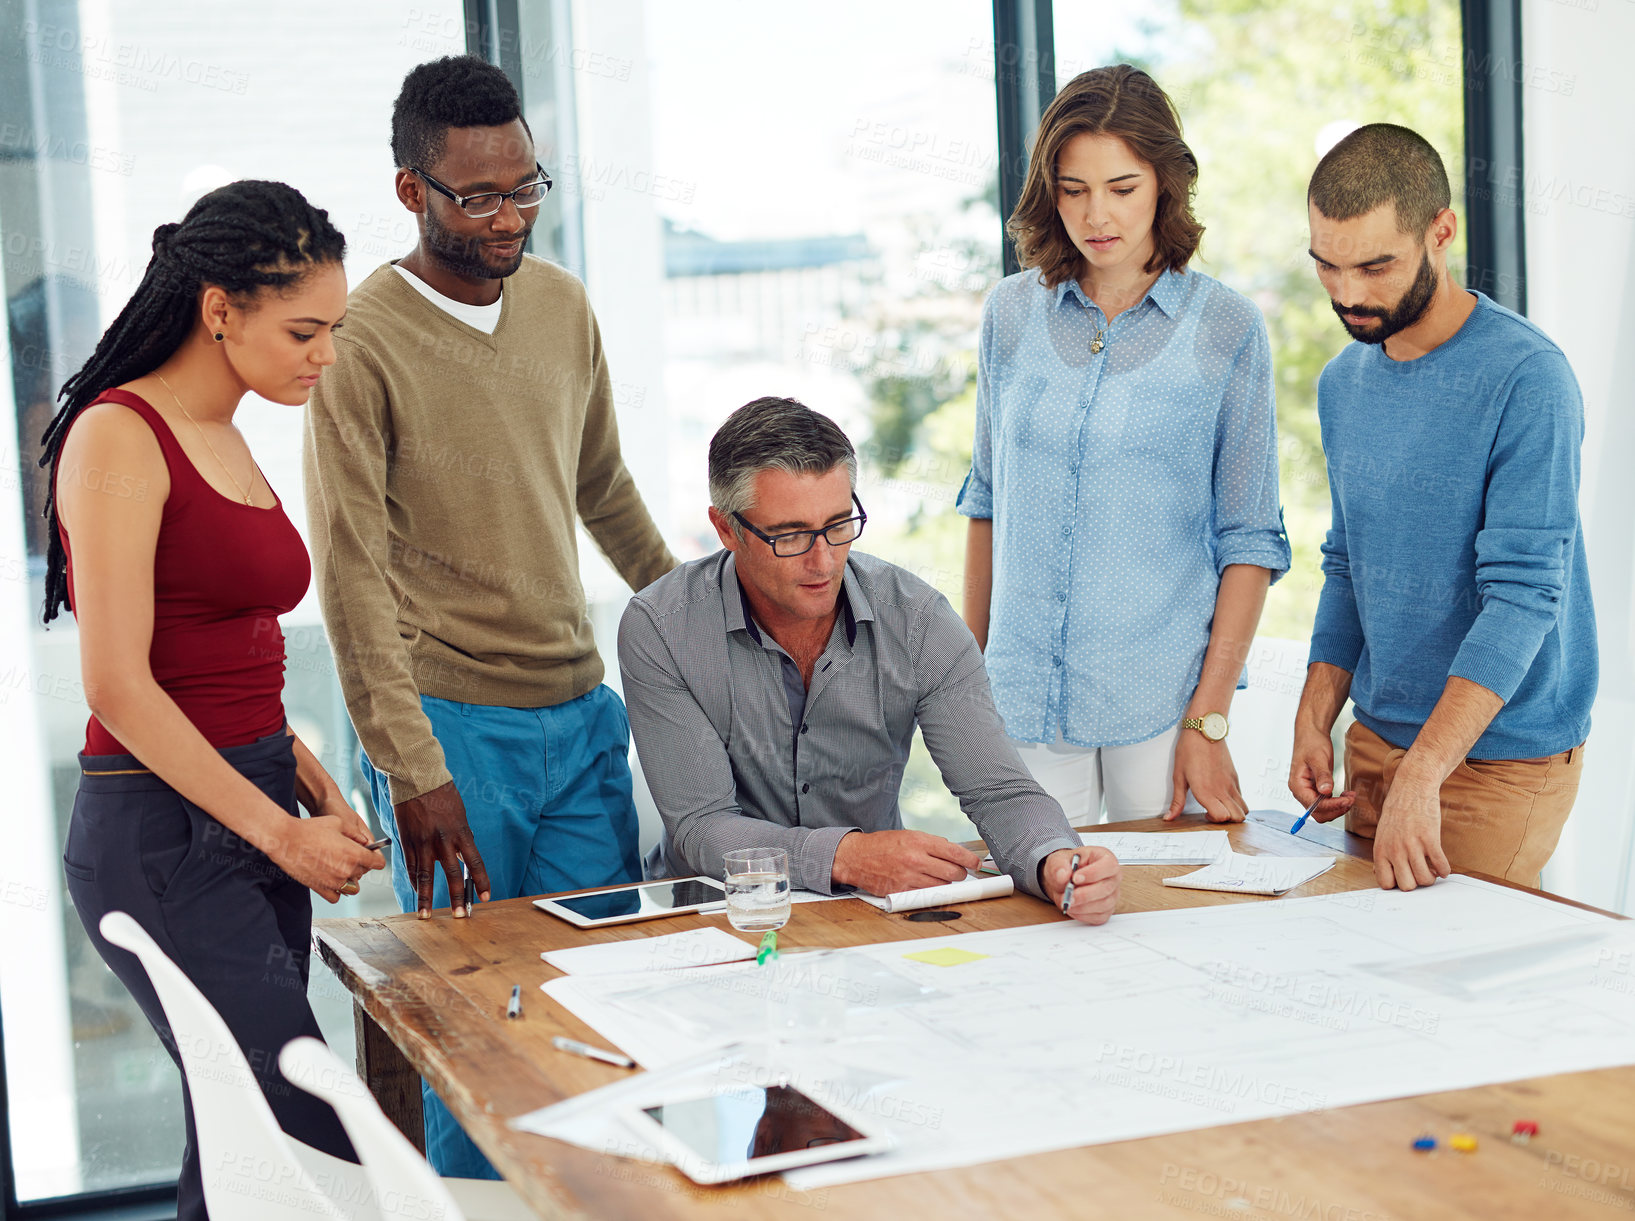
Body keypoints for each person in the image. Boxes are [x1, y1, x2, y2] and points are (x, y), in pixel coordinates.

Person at [302, 55, 675, 1176]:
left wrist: (703, 626)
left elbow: (603, 487)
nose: (510, 215)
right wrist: (410, 770)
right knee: (469, 1029)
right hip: (450, 732)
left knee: (595, 1012)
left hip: (577, 716)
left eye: (526, 187)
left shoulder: (560, 305)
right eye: (479, 195)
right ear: (412, 190)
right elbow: (352, 573)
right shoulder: (359, 342)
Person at [41, 180, 384, 1221]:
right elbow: (118, 684)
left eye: (334, 330)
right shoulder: (116, 436)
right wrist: (283, 836)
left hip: (254, 797)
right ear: (220, 308)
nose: (324, 354)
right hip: (159, 837)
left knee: (240, 1152)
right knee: (310, 1125)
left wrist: (306, 776)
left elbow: (225, 652)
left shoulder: (231, 431)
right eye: (303, 329)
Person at [619, 397, 1121, 924]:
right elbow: (702, 826)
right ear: (726, 530)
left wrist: (1056, 863)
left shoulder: (918, 619)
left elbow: (997, 790)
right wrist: (847, 857)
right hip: (721, 916)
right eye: (790, 535)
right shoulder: (661, 627)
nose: (824, 560)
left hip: (871, 912)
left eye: (839, 524)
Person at [959, 64, 1290, 827]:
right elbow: (986, 504)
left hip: (1162, 702)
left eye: (1121, 187)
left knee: (1162, 921)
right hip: (1020, 698)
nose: (1094, 214)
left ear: (1164, 184)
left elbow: (1250, 540)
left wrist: (1208, 719)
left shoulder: (1226, 329)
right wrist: (967, 683)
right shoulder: (1008, 314)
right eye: (1072, 189)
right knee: (1033, 920)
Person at [1289, 124, 1596, 891]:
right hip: (1376, 749)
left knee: (1454, 998)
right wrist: (1313, 711)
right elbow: (1347, 564)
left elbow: (1523, 596)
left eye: (1374, 265)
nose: (1349, 294)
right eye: (1326, 266)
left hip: (1496, 762)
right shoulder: (1341, 383)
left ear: (1441, 232)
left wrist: (1424, 771)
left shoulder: (1527, 378)